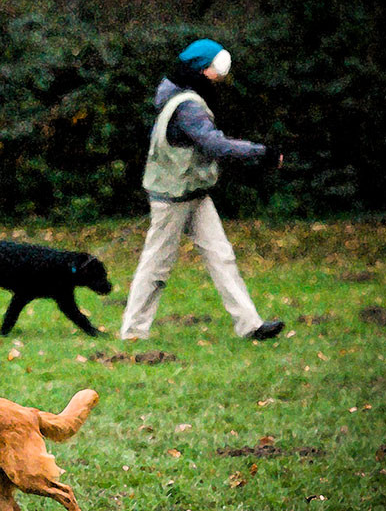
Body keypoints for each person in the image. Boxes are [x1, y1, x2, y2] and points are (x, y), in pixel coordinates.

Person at [120, 38, 285, 342]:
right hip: (172, 198)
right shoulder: (188, 107)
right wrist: (263, 153)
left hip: (193, 192)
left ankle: (250, 325)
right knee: (156, 265)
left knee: (222, 257)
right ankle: (133, 332)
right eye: (215, 69)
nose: (220, 77)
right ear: (201, 69)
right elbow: (215, 145)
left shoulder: (179, 95)